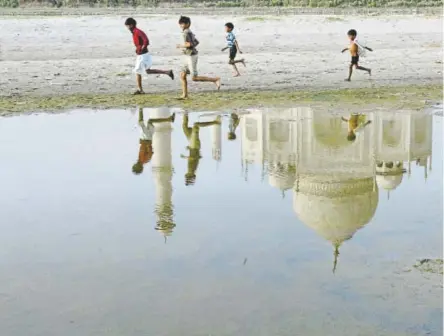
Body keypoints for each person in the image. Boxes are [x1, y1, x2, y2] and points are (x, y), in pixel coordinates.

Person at [125, 18, 174, 95]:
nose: (127, 28)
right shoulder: (134, 32)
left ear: (131, 25)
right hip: (143, 55)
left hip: (142, 55)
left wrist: (142, 48)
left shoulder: (138, 31)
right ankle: (167, 72)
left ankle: (140, 90)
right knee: (148, 71)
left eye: (127, 26)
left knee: (138, 72)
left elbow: (146, 40)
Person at [176, 16, 221, 100]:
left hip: (191, 56)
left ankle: (215, 79)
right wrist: (187, 49)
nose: (181, 25)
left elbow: (190, 44)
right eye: (180, 24)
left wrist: (180, 46)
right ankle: (185, 95)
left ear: (188, 24)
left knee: (194, 78)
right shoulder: (189, 32)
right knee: (183, 75)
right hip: (189, 55)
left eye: (183, 24)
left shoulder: (186, 32)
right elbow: (196, 42)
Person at [181, 113, 221, 185]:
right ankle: (215, 122)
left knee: (184, 127)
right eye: (188, 177)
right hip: (195, 146)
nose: (187, 175)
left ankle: (185, 112)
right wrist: (185, 157)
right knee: (196, 125)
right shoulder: (192, 169)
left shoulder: (191, 170)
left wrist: (189, 149)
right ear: (191, 175)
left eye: (187, 177)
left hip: (192, 146)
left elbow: (196, 157)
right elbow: (194, 158)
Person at [132, 107, 175, 175]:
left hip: (148, 138)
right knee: (140, 122)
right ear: (139, 167)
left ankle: (169, 119)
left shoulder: (141, 160)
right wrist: (147, 144)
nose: (134, 164)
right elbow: (150, 152)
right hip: (146, 138)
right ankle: (140, 108)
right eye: (135, 166)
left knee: (150, 121)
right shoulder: (144, 160)